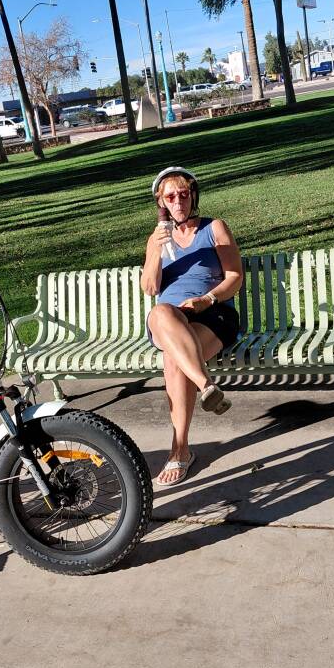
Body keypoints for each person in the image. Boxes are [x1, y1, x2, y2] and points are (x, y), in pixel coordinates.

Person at [141, 167, 243, 487]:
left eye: (183, 194)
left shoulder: (214, 228)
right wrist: (155, 250)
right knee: (160, 312)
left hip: (212, 315)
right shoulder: (157, 238)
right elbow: (150, 287)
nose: (178, 201)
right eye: (170, 196)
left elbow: (235, 277)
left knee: (174, 359)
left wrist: (207, 299)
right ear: (162, 202)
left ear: (193, 195)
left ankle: (180, 450)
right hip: (171, 319)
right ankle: (205, 385)